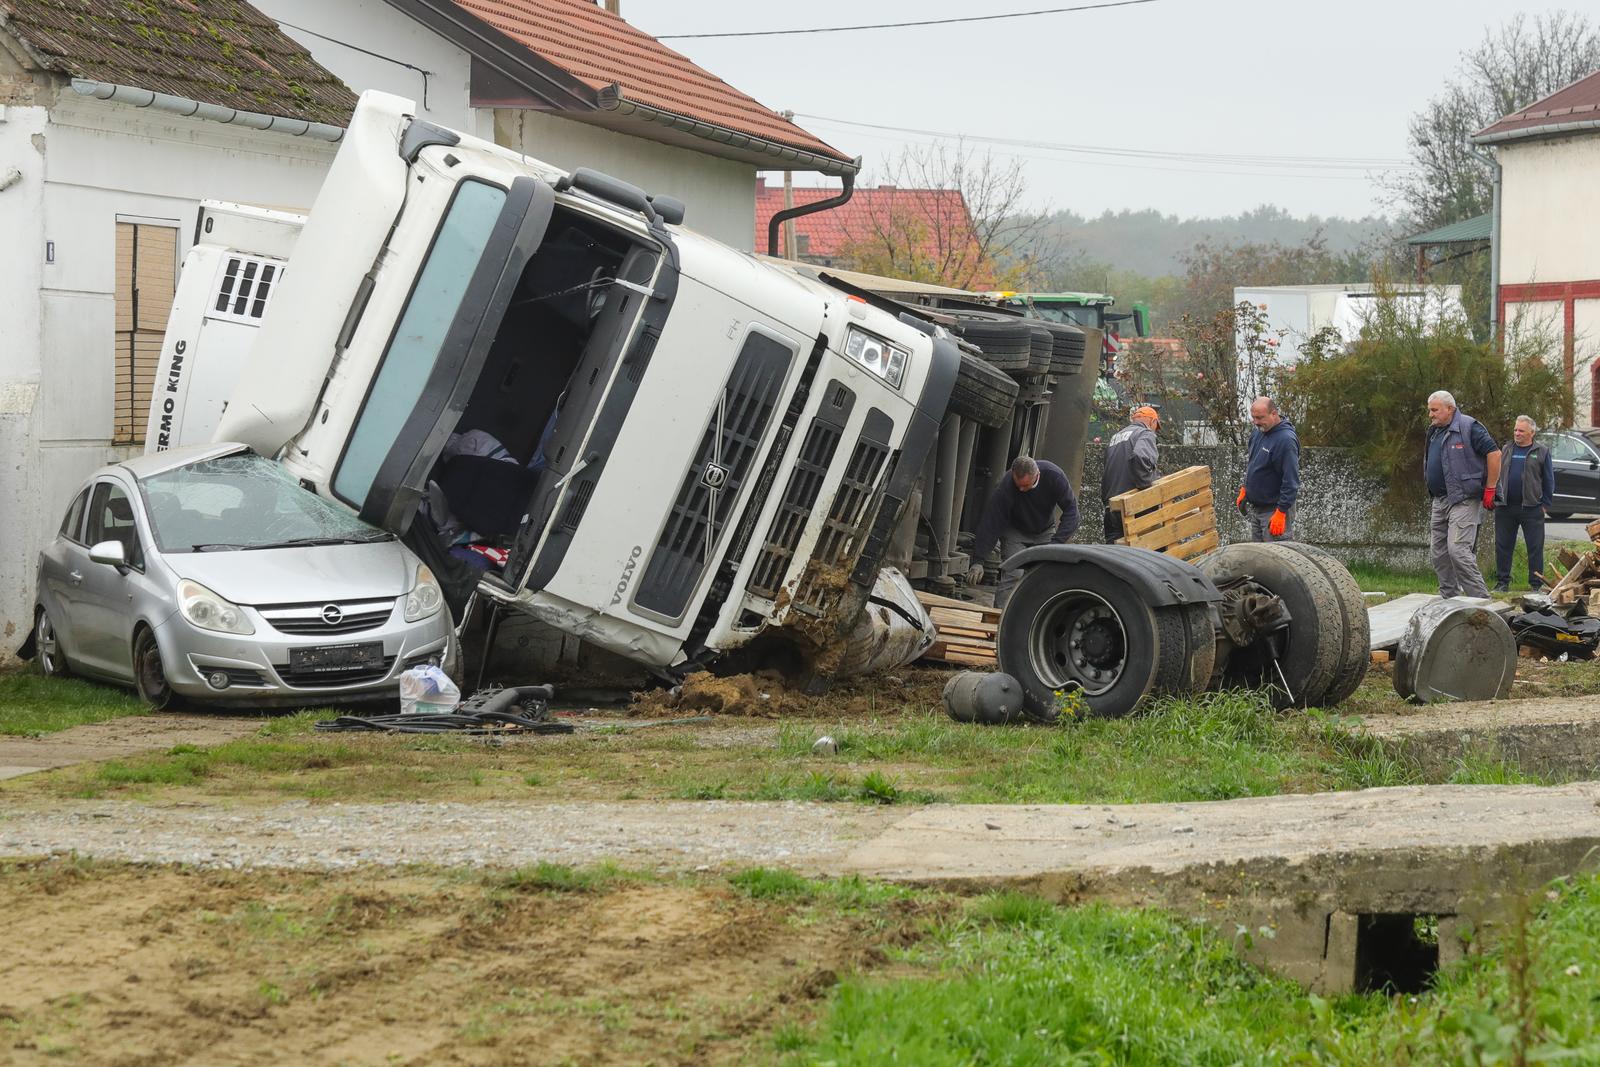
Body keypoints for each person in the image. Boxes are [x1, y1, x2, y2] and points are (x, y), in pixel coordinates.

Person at [967, 456, 1080, 610]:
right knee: (1013, 574)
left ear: (1037, 475)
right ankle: (998, 618)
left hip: (1045, 531)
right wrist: (978, 560)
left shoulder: (1054, 476)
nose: (1021, 490)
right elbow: (991, 522)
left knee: (1044, 576)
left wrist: (1056, 543)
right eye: (1018, 485)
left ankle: (1036, 618)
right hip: (1015, 531)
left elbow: (1072, 511)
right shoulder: (1006, 485)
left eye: (1025, 486)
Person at [1424, 390, 1500, 599]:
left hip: (1465, 499)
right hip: (1440, 500)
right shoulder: (1434, 431)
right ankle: (1449, 599)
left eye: (1434, 410)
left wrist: (1491, 488)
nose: (1430, 414)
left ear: (1450, 409)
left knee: (1458, 550)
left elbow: (1494, 454)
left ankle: (1481, 602)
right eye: (1429, 410)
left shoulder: (1469, 426)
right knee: (1438, 553)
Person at [1492, 415, 1554, 593]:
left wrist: (1545, 504)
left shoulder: (1541, 451)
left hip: (1531, 508)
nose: (1517, 433)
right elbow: (1496, 474)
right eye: (1515, 430)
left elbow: (1549, 480)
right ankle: (1502, 582)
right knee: (1503, 546)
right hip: (1505, 507)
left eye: (1521, 431)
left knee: (1534, 547)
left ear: (1531, 433)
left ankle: (1536, 585)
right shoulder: (1506, 449)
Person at [1234, 397, 1300, 542]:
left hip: (1274, 511)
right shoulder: (1258, 432)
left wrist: (1281, 512)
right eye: (1254, 417)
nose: (1256, 422)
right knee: (1260, 559)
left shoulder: (1285, 440)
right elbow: (1253, 463)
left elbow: (1291, 481)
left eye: (1260, 417)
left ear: (1274, 414)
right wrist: (1246, 488)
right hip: (1257, 509)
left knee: (1277, 560)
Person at [1100, 405, 1160, 543]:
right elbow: (1141, 456)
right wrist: (1145, 485)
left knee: (1112, 557)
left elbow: (1108, 468)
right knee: (1147, 554)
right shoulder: (1145, 433)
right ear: (1153, 422)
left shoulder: (1115, 438)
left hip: (1112, 507)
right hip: (1133, 506)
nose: (1155, 431)